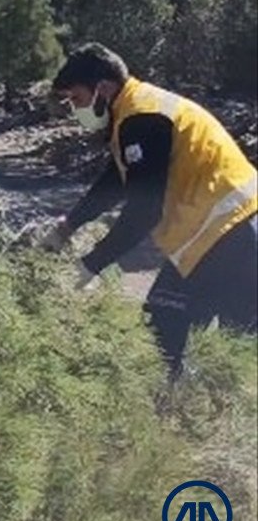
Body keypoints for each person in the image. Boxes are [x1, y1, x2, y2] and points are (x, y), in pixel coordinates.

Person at [40, 43, 257, 379]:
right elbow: (119, 179)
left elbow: (144, 211)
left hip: (235, 237)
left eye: (77, 99)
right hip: (214, 239)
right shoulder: (133, 113)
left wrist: (91, 264)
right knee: (163, 325)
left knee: (236, 349)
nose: (75, 109)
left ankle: (206, 416)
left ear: (103, 88)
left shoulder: (142, 118)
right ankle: (181, 412)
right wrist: (70, 224)